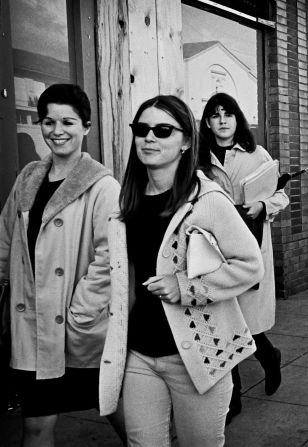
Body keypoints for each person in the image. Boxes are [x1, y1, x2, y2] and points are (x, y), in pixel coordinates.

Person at [98, 95, 264, 446]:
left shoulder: (206, 199)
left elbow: (251, 265)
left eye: (162, 130)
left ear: (186, 141)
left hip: (198, 354)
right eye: (142, 130)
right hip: (139, 354)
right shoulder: (125, 202)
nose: (149, 138)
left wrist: (185, 286)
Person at [0, 84, 124, 446]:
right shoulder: (28, 177)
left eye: (68, 121)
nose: (57, 130)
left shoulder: (102, 186)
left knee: (114, 407)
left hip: (76, 328)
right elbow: (6, 238)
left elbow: (109, 258)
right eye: (49, 121)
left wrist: (81, 313)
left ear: (86, 126)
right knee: (36, 425)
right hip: (33, 329)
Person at [197, 92, 289, 423]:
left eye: (228, 114)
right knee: (224, 323)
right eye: (215, 115)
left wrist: (263, 206)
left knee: (248, 325)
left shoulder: (256, 155)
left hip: (249, 246)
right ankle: (233, 398)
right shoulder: (198, 157)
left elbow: (281, 195)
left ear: (238, 119)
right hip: (213, 251)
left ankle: (270, 357)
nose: (222, 120)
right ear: (207, 122)